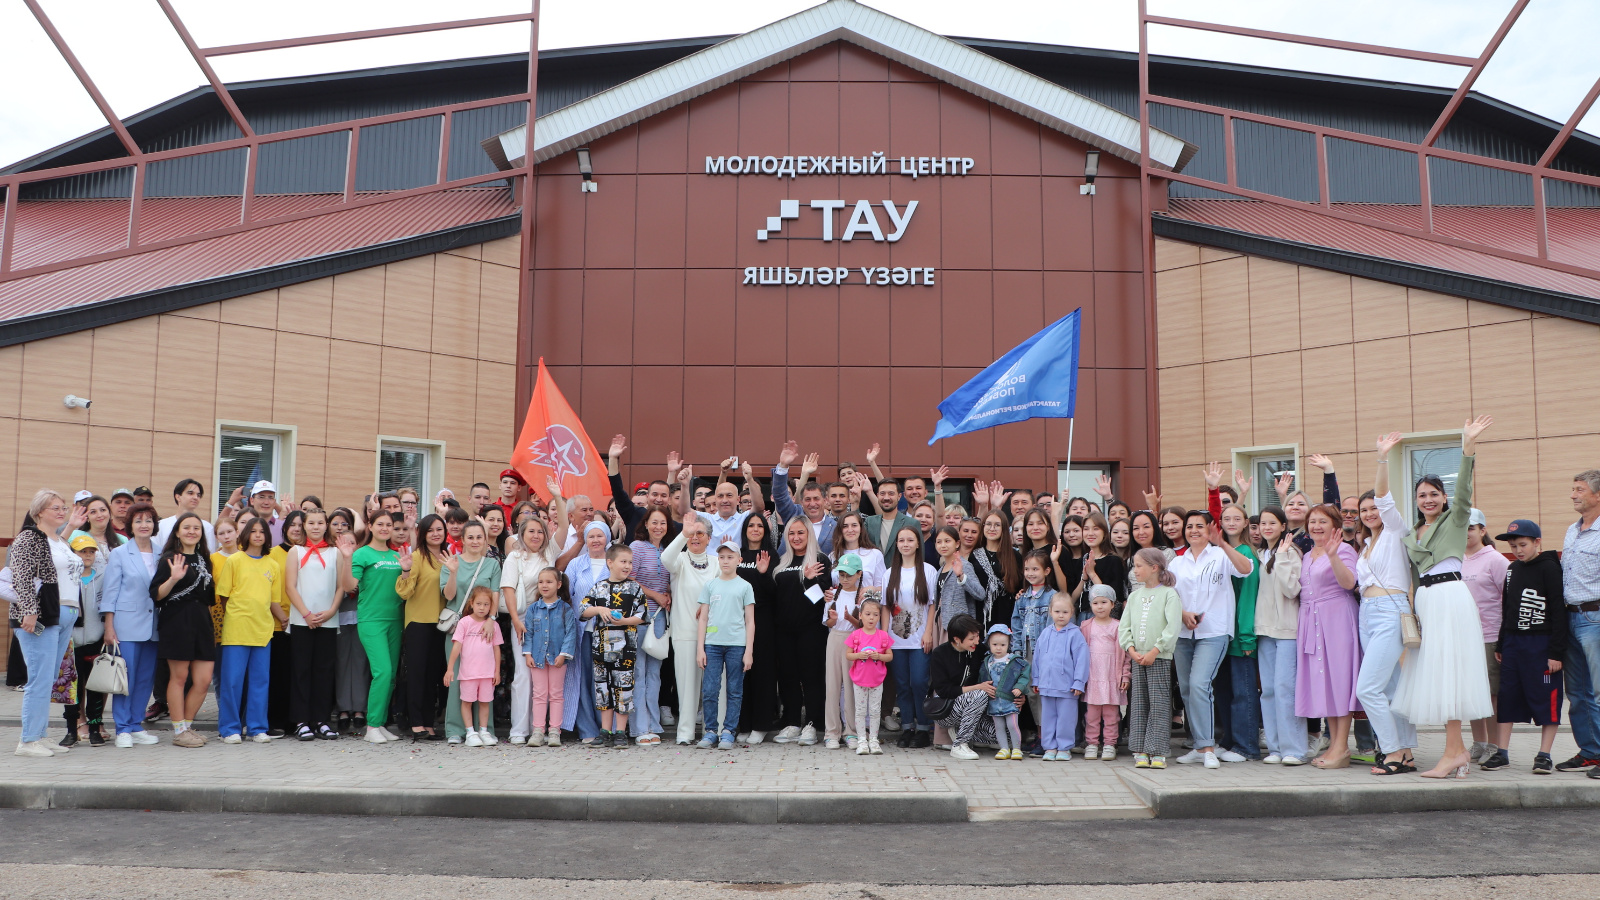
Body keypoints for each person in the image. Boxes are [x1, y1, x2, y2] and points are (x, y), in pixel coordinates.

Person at [1395, 416, 1495, 778]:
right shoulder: (1413, 532)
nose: (1428, 499)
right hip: (1427, 601)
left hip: (1451, 596)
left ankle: (1455, 751)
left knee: (1449, 674)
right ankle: (1455, 750)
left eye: (1434, 494)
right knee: (1439, 674)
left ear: (1444, 497)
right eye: (1422, 495)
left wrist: (1467, 446)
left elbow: (1466, 490)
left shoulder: (1455, 520)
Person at [1352, 434, 1420, 776]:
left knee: (1367, 688)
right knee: (1392, 687)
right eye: (1363, 511)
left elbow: (1383, 496)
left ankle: (1391, 751)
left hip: (1390, 610)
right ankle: (1406, 753)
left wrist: (1382, 458)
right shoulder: (1366, 545)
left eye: (1373, 508)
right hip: (1368, 614)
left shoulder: (1395, 531)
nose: (1369, 513)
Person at [1169, 510, 1254, 769]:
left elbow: (1246, 569)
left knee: (1199, 685)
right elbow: (1169, 597)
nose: (1194, 530)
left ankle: (1208, 746)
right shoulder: (1177, 562)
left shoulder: (1220, 555)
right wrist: (1182, 614)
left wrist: (1223, 543)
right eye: (1190, 526)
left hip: (1214, 632)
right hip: (1184, 633)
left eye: (1199, 526)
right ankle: (1198, 744)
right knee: (1186, 690)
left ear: (1210, 529)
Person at [1481, 519, 1567, 774]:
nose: (1518, 550)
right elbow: (1506, 608)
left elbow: (1559, 613)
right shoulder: (1512, 569)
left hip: (1541, 643)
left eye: (1523, 544)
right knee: (1507, 695)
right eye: (1513, 546)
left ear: (1537, 542)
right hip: (1513, 643)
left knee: (1547, 698)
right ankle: (1502, 752)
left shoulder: (1550, 568)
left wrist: (1556, 652)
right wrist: (1501, 642)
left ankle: (1544, 754)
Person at [8, 492, 86, 757]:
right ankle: (28, 740)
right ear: (39, 511)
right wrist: (29, 611)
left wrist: (72, 524)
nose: (62, 511)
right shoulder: (29, 538)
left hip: (63, 615)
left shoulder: (58, 540)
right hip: (41, 616)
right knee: (39, 679)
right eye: (56, 508)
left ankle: (39, 735)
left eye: (63, 507)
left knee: (49, 678)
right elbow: (21, 575)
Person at [1293, 504, 1362, 769]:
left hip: (1337, 618)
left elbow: (1349, 583)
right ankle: (1334, 745)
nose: (1316, 526)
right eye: (1312, 522)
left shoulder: (1343, 549)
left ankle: (1343, 746)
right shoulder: (1308, 553)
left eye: (1322, 521)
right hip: (1312, 619)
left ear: (1334, 524)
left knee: (1341, 681)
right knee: (1326, 683)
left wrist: (1333, 556)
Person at [215, 517, 287, 744]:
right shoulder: (234, 561)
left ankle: (257, 728)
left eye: (262, 531)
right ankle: (230, 729)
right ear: (245, 534)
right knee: (232, 681)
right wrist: (238, 615)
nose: (257, 535)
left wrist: (283, 618)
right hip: (236, 630)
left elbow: (273, 600)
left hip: (263, 631)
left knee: (260, 681)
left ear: (267, 536)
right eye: (253, 531)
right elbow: (224, 596)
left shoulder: (272, 565)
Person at [151, 512, 216, 748]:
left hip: (201, 622)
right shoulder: (169, 558)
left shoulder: (204, 559)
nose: (191, 531)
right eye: (186, 527)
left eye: (196, 528)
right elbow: (156, 594)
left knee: (203, 679)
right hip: (176, 621)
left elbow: (209, 598)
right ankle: (179, 730)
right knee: (179, 677)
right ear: (177, 532)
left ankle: (187, 727)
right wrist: (173, 578)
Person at [101, 501, 162, 748]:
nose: (144, 525)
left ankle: (136, 724)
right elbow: (110, 592)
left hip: (154, 625)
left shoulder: (162, 553)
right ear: (130, 526)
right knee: (124, 678)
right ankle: (122, 728)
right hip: (126, 625)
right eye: (138, 521)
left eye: (148, 520)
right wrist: (109, 626)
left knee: (145, 678)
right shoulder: (119, 553)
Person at [284, 508, 346, 741]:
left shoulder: (335, 553)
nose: (316, 527)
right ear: (304, 526)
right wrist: (306, 613)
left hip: (328, 621)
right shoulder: (295, 551)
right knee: (301, 671)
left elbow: (341, 586)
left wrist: (331, 611)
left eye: (321, 522)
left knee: (324, 672)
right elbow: (290, 586)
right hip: (302, 621)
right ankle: (301, 721)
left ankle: (321, 720)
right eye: (311, 523)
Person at [1120, 548, 1184, 769]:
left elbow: (1172, 626)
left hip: (1159, 658)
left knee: (1158, 704)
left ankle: (1157, 751)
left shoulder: (1169, 594)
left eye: (1139, 566)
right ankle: (1140, 748)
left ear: (1154, 567)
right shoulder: (1135, 596)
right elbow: (1124, 627)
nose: (1134, 570)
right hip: (1138, 658)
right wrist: (1130, 650)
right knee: (1139, 704)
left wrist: (1155, 650)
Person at [1254, 507, 1307, 765]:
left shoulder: (1293, 553)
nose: (1266, 527)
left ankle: (1294, 749)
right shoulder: (1259, 554)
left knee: (1286, 690)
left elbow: (1292, 590)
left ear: (1283, 525)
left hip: (1287, 631)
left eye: (1272, 523)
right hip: (1263, 632)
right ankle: (1275, 748)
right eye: (1262, 523)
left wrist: (1284, 556)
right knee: (1269, 691)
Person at [347, 510, 405, 744]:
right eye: (379, 524)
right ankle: (371, 727)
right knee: (382, 671)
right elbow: (350, 585)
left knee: (391, 675)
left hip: (395, 620)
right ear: (370, 526)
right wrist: (345, 557)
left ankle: (379, 723)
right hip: (372, 620)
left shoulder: (397, 555)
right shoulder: (362, 554)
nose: (384, 528)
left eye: (388, 525)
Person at [441, 522, 502, 743]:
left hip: (484, 628)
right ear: (463, 539)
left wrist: (491, 619)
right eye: (471, 537)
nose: (475, 541)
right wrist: (453, 573)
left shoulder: (492, 564)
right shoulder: (452, 562)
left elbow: (495, 594)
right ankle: (457, 730)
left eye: (479, 537)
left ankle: (483, 730)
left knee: (484, 677)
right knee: (458, 678)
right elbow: (448, 596)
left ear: (485, 540)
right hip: (459, 628)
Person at [771, 517, 830, 746]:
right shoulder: (781, 561)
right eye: (792, 533)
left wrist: (808, 580)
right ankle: (793, 722)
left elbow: (821, 598)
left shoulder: (820, 560)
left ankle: (813, 724)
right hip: (783, 630)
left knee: (811, 677)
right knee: (788, 677)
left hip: (811, 629)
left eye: (801, 533)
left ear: (809, 535)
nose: (796, 537)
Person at [581, 543, 647, 748]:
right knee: (603, 689)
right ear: (610, 563)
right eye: (623, 561)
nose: (627, 566)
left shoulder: (634, 587)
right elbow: (583, 610)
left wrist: (624, 622)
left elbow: (642, 615)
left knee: (623, 689)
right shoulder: (598, 587)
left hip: (625, 649)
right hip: (601, 649)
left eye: (630, 562)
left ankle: (621, 732)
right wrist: (599, 609)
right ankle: (605, 731)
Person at [661, 516, 719, 745]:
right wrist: (683, 533)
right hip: (685, 631)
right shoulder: (680, 560)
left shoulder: (716, 562)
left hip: (714, 633)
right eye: (691, 534)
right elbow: (665, 558)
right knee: (686, 686)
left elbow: (722, 591)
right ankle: (684, 733)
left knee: (713, 687)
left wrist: (708, 606)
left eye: (700, 534)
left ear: (709, 539)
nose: (695, 538)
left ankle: (711, 730)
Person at [695, 539, 757, 750]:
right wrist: (700, 648)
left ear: (739, 560)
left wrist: (748, 651)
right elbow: (703, 618)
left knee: (734, 690)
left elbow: (750, 621)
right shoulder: (710, 585)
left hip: (736, 646)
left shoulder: (745, 586)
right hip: (712, 644)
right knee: (710, 689)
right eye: (722, 557)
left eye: (730, 557)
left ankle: (729, 731)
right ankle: (711, 731)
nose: (725, 561)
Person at [1212, 503, 1262, 762]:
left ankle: (1246, 746)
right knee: (1224, 693)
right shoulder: (1219, 551)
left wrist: (1246, 636)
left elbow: (1247, 599)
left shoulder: (1246, 554)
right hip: (1220, 634)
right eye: (1226, 518)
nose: (1231, 522)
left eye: (1236, 518)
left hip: (1240, 636)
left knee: (1243, 693)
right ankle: (1229, 741)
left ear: (1245, 523)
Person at [929, 614, 1013, 759]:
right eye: (971, 638)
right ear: (956, 639)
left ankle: (960, 731)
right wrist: (978, 687)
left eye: (977, 636)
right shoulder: (940, 653)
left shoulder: (979, 650)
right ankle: (959, 745)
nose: (977, 641)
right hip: (947, 709)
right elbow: (943, 690)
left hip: (975, 710)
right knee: (979, 693)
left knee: (1004, 737)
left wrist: (1017, 694)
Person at [1560, 469, 1600, 776]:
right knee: (1576, 693)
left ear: (1597, 495)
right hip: (1570, 618)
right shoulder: (1572, 531)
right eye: (1573, 489)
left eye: (1579, 489)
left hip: (1595, 618)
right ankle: (1590, 752)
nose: (1573, 494)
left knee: (1598, 691)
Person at [1463, 508, 1511, 764]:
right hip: (1464, 637)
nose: (1467, 533)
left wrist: (1504, 639)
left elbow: (1509, 600)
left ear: (1482, 530)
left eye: (1471, 528)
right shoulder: (1455, 558)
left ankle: (1494, 745)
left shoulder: (1496, 560)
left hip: (1490, 635)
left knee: (1491, 694)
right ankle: (1478, 742)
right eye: (1463, 527)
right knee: (1471, 693)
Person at [396, 514, 449, 741]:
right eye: (431, 530)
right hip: (418, 623)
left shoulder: (449, 557)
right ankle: (416, 723)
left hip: (441, 624)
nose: (436, 533)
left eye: (440, 529)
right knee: (417, 675)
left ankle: (428, 723)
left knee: (433, 677)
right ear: (423, 533)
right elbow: (404, 593)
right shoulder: (416, 557)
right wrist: (406, 570)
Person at [886, 525, 939, 747]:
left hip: (919, 638)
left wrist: (928, 632)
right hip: (895, 639)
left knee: (918, 682)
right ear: (897, 545)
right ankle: (907, 727)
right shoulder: (889, 573)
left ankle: (924, 728)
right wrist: (883, 637)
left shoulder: (928, 571)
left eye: (910, 540)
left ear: (918, 543)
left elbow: (932, 605)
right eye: (901, 541)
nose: (905, 544)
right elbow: (885, 607)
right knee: (902, 684)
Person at [628, 508, 673, 745]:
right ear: (646, 524)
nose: (658, 527)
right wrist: (656, 595)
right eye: (654, 522)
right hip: (638, 617)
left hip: (660, 620)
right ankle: (639, 728)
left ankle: (654, 725)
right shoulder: (636, 547)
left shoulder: (669, 550)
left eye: (662, 523)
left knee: (655, 674)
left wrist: (668, 595)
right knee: (639, 673)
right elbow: (629, 578)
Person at [521, 567, 577, 747]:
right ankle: (538, 731)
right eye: (541, 582)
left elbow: (571, 633)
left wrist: (563, 654)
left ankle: (554, 731)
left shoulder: (565, 609)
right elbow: (528, 633)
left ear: (559, 584)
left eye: (549, 582)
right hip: (537, 657)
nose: (544, 585)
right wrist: (527, 653)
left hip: (557, 658)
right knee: (539, 694)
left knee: (556, 694)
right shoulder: (533, 609)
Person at [735, 514, 778, 743]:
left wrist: (763, 574)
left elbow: (775, 592)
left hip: (763, 619)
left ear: (766, 530)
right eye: (751, 525)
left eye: (759, 525)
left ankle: (761, 725)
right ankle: (745, 723)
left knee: (763, 673)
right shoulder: (737, 553)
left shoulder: (772, 555)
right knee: (742, 673)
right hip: (737, 620)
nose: (755, 529)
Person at [62, 533, 107, 746]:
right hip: (70, 641)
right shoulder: (68, 577)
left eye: (91, 551)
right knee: (72, 689)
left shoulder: (102, 576)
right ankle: (72, 730)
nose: (87, 556)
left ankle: (96, 728)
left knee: (95, 687)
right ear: (73, 554)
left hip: (95, 640)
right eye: (82, 551)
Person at [446, 586, 503, 748]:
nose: (482, 608)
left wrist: (497, 671)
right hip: (468, 673)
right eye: (479, 604)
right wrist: (450, 668)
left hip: (487, 673)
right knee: (467, 701)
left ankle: (484, 731)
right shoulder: (464, 622)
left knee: (485, 702)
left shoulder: (493, 625)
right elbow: (456, 646)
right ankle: (470, 732)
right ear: (471, 603)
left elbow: (496, 648)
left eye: (486, 604)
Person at [1079, 585, 1129, 760]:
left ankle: (1109, 744)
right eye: (1095, 603)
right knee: (1091, 715)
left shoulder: (1118, 627)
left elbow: (1126, 654)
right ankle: (1092, 744)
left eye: (1104, 602)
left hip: (1111, 678)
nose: (1099, 606)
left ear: (1112, 604)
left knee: (1111, 715)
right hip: (1093, 677)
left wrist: (1125, 675)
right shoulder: (1085, 626)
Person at [822, 554, 865, 750]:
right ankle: (832, 732)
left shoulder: (862, 597)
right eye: (841, 574)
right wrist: (833, 618)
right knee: (832, 686)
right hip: (835, 638)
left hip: (854, 640)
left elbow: (863, 625)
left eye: (848, 575)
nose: (844, 579)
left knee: (851, 687)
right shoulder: (832, 595)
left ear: (859, 574)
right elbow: (828, 623)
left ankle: (851, 731)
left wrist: (849, 618)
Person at [847, 597, 893, 755]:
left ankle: (873, 740)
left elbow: (890, 656)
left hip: (877, 680)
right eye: (867, 614)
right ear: (860, 615)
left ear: (879, 616)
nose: (871, 618)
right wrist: (859, 654)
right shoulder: (856, 635)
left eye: (875, 614)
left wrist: (878, 657)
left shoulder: (883, 636)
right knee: (860, 710)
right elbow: (848, 655)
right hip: (859, 679)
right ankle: (861, 740)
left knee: (875, 710)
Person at [980, 624, 1032, 760]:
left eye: (1003, 645)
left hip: (1010, 699)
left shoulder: (1014, 661)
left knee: (1012, 724)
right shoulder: (988, 661)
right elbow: (983, 678)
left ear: (1009, 644)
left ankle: (1016, 749)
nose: (998, 648)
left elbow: (1024, 674)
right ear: (989, 644)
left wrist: (1020, 687)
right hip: (994, 700)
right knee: (999, 726)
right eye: (995, 644)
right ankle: (1003, 748)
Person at [972, 511, 1023, 632]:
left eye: (997, 525)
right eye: (988, 524)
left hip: (1006, 612)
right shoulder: (974, 555)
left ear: (1004, 528)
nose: (992, 528)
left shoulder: (1014, 556)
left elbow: (1020, 586)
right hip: (981, 614)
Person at [154, 479, 218, 552]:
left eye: (198, 495)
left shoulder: (207, 527)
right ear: (178, 497)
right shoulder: (161, 525)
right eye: (190, 493)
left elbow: (210, 554)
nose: (195, 497)